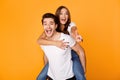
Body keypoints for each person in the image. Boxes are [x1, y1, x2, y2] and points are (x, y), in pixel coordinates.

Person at [37, 6, 86, 80]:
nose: (63, 16)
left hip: (72, 53)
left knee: (80, 76)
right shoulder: (50, 28)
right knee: (40, 77)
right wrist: (56, 43)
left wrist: (76, 35)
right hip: (58, 56)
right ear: (57, 16)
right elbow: (39, 41)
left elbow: (73, 30)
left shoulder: (70, 25)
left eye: (66, 14)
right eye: (61, 14)